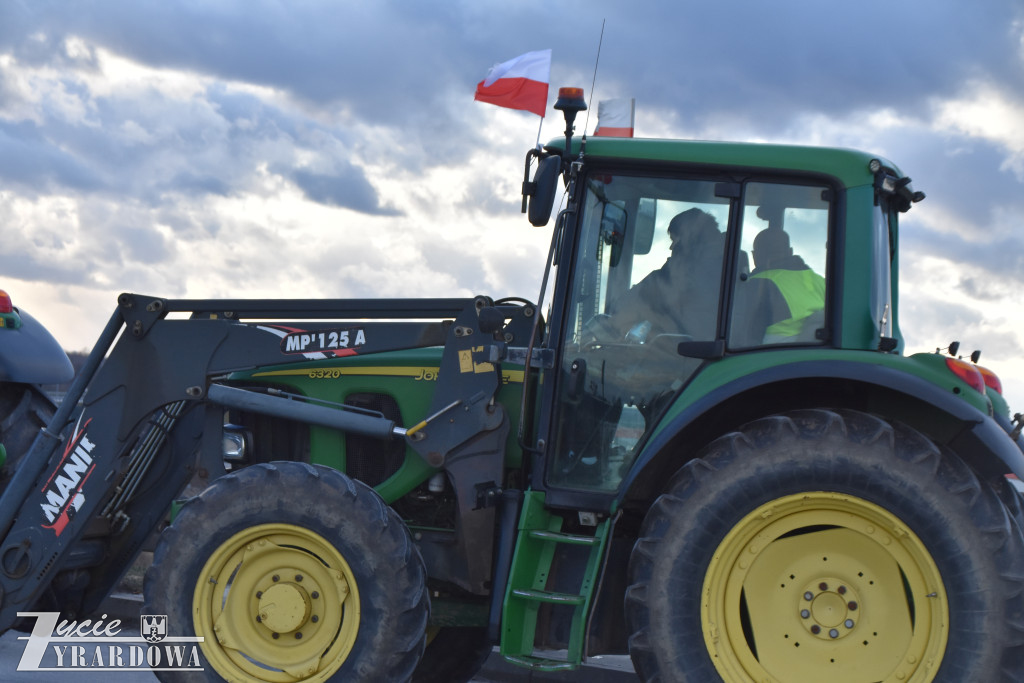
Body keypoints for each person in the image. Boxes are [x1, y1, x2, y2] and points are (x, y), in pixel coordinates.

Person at [607, 207, 724, 341]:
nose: (671, 247)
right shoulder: (732, 268)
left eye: (674, 240)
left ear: (687, 240)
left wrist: (602, 328)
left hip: (683, 354)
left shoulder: (676, 275)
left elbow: (629, 305)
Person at [746, 227, 826, 343]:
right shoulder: (821, 281)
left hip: (774, 351)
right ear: (790, 252)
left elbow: (744, 333)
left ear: (755, 255)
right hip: (816, 347)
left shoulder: (756, 283)